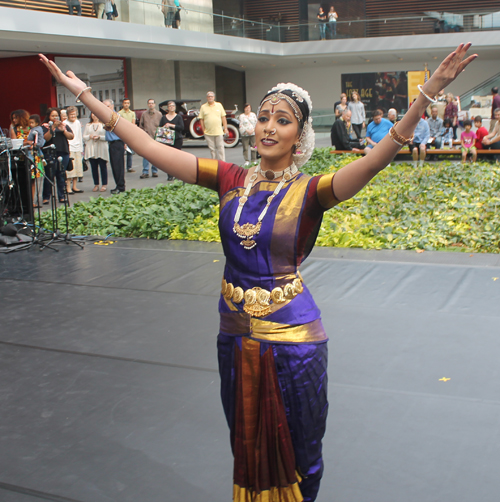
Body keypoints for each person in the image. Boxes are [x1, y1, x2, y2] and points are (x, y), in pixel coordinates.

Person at [40, 42, 476, 502]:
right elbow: (148, 144)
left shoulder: (313, 191)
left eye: (282, 120)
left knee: (299, 450)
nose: (269, 127)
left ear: (300, 135)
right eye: (264, 116)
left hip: (293, 342)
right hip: (234, 334)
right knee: (245, 444)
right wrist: (85, 94)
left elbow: (373, 160)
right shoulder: (228, 178)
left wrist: (427, 92)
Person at [41, 107, 74, 204]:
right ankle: (46, 196)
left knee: (61, 175)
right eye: (53, 116)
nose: (55, 118)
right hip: (50, 153)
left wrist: (63, 130)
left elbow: (71, 136)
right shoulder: (44, 127)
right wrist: (52, 128)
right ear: (49, 117)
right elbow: (46, 139)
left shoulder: (63, 125)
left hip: (63, 152)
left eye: (56, 115)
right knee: (49, 175)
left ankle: (62, 196)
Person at [103, 99, 125, 194]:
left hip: (117, 142)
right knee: (114, 166)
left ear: (112, 106)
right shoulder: (107, 116)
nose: (105, 108)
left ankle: (121, 186)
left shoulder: (115, 116)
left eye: (107, 106)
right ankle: (118, 185)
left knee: (118, 166)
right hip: (111, 144)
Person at [159, 100, 185, 180]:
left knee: (177, 157)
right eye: (170, 106)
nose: (171, 107)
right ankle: (170, 175)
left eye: (173, 106)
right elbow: (160, 128)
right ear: (167, 108)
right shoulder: (163, 117)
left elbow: (181, 127)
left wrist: (171, 125)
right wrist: (165, 127)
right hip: (167, 139)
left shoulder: (178, 117)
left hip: (177, 139)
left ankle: (177, 174)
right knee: (168, 158)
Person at [199, 91, 228, 161]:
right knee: (212, 150)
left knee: (220, 148)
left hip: (218, 131)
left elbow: (223, 117)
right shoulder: (203, 107)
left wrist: (225, 128)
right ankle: (215, 163)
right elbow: (201, 119)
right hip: (208, 132)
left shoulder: (219, 105)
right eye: (209, 96)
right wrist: (203, 130)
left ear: (214, 97)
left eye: (211, 96)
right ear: (206, 98)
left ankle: (223, 163)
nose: (210, 98)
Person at [83, 112, 109, 192]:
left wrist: (99, 137)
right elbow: (84, 137)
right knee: (94, 168)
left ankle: (104, 184)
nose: (94, 115)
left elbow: (107, 137)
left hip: (101, 147)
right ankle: (96, 184)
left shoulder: (104, 124)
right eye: (93, 114)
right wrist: (90, 136)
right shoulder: (88, 125)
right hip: (92, 148)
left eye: (96, 114)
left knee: (103, 167)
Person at [24, 114, 45, 208]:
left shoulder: (36, 130)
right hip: (29, 152)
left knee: (33, 180)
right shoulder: (30, 130)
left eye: (32, 122)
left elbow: (37, 141)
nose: (30, 124)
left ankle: (32, 200)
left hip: (33, 153)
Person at [139, 98, 162, 178]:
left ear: (155, 104)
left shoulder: (159, 115)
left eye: (152, 103)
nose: (151, 104)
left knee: (155, 155)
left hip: (156, 138)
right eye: (149, 103)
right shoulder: (144, 115)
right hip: (146, 138)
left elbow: (161, 127)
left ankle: (154, 171)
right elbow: (141, 126)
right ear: (148, 105)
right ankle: (145, 171)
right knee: (146, 155)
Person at [64, 106, 84, 194]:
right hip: (69, 147)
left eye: (74, 114)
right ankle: (68, 187)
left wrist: (81, 148)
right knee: (70, 169)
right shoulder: (64, 123)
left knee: (77, 168)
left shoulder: (78, 122)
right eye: (71, 114)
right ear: (67, 115)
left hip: (77, 147)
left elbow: (79, 135)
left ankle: (75, 186)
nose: (73, 116)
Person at [118, 98, 136, 173]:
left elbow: (133, 123)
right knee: (121, 151)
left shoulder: (132, 113)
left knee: (129, 151)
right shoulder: (119, 113)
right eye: (125, 103)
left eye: (128, 103)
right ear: (122, 104)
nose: (126, 104)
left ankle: (129, 167)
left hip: (130, 133)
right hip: (122, 133)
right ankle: (121, 167)